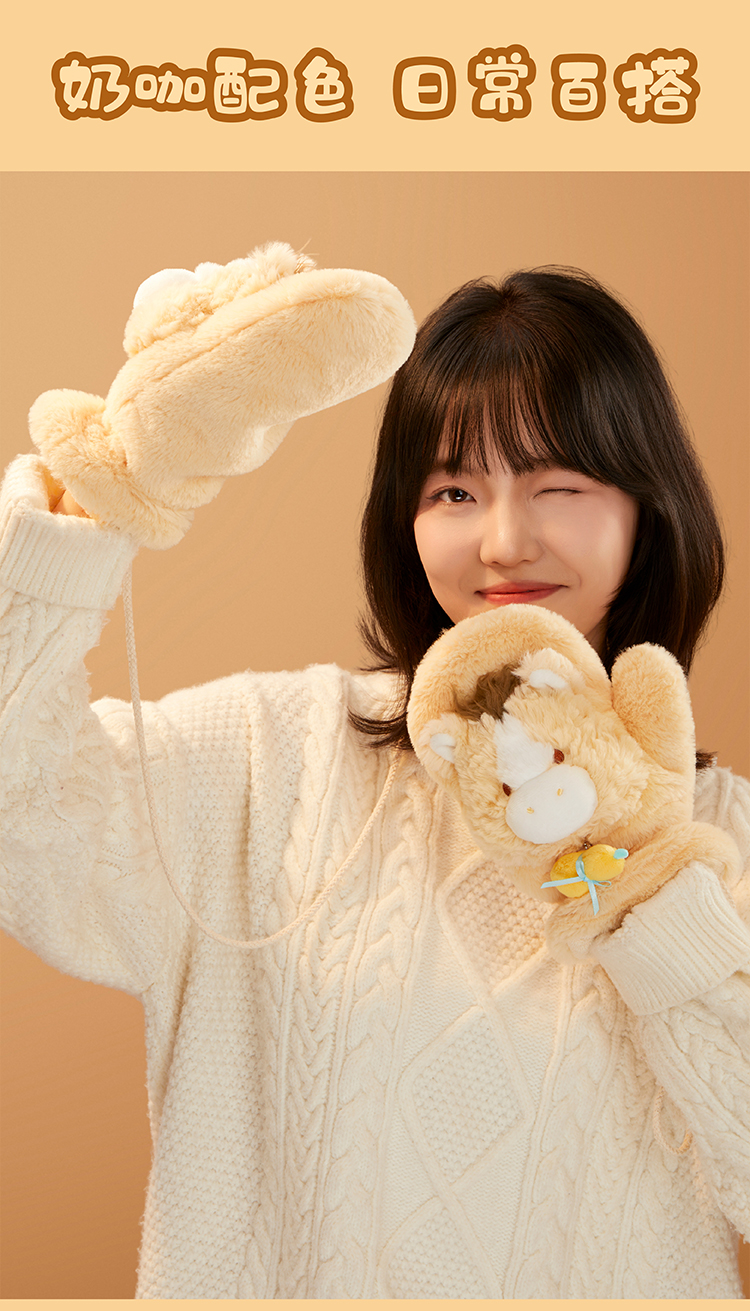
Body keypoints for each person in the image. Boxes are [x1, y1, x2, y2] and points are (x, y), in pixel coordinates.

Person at [1, 247, 748, 1299]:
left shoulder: (724, 843)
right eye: (454, 489)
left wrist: (645, 885)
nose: (503, 540)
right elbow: (21, 806)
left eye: (560, 485)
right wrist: (109, 495)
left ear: (645, 511)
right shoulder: (273, 755)